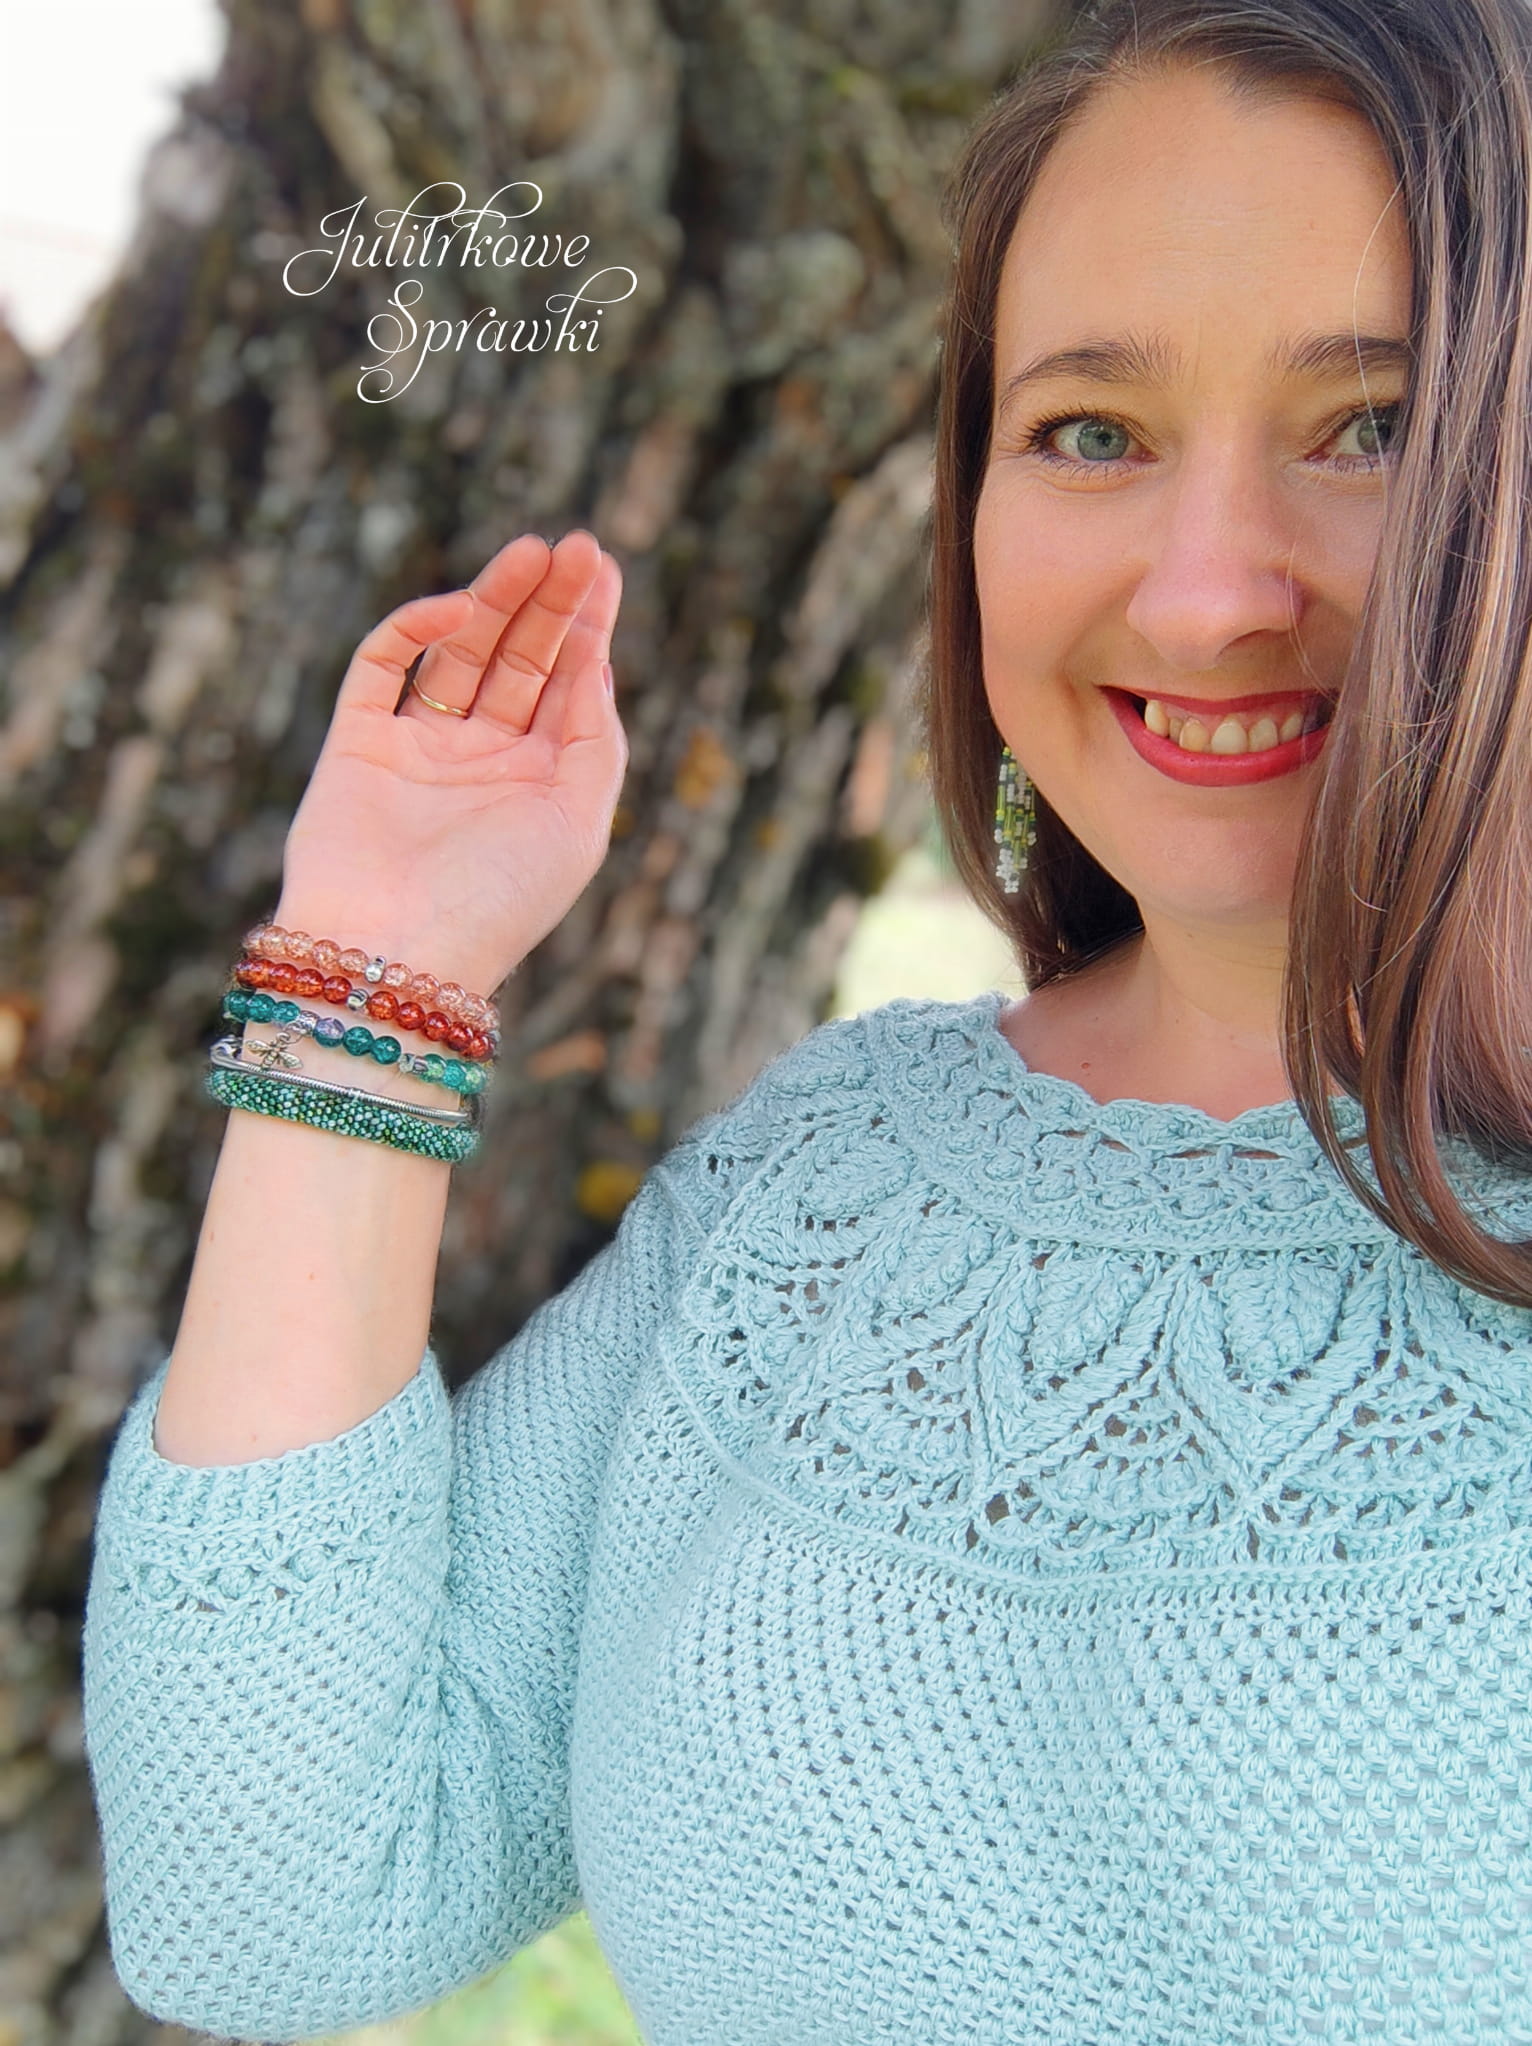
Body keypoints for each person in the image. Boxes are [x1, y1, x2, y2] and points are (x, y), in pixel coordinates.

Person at [82, 0, 1532, 2039]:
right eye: (1090, 431)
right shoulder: (827, 1185)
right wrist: (375, 968)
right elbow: (281, 1903)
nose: (1205, 593)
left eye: (1370, 424)